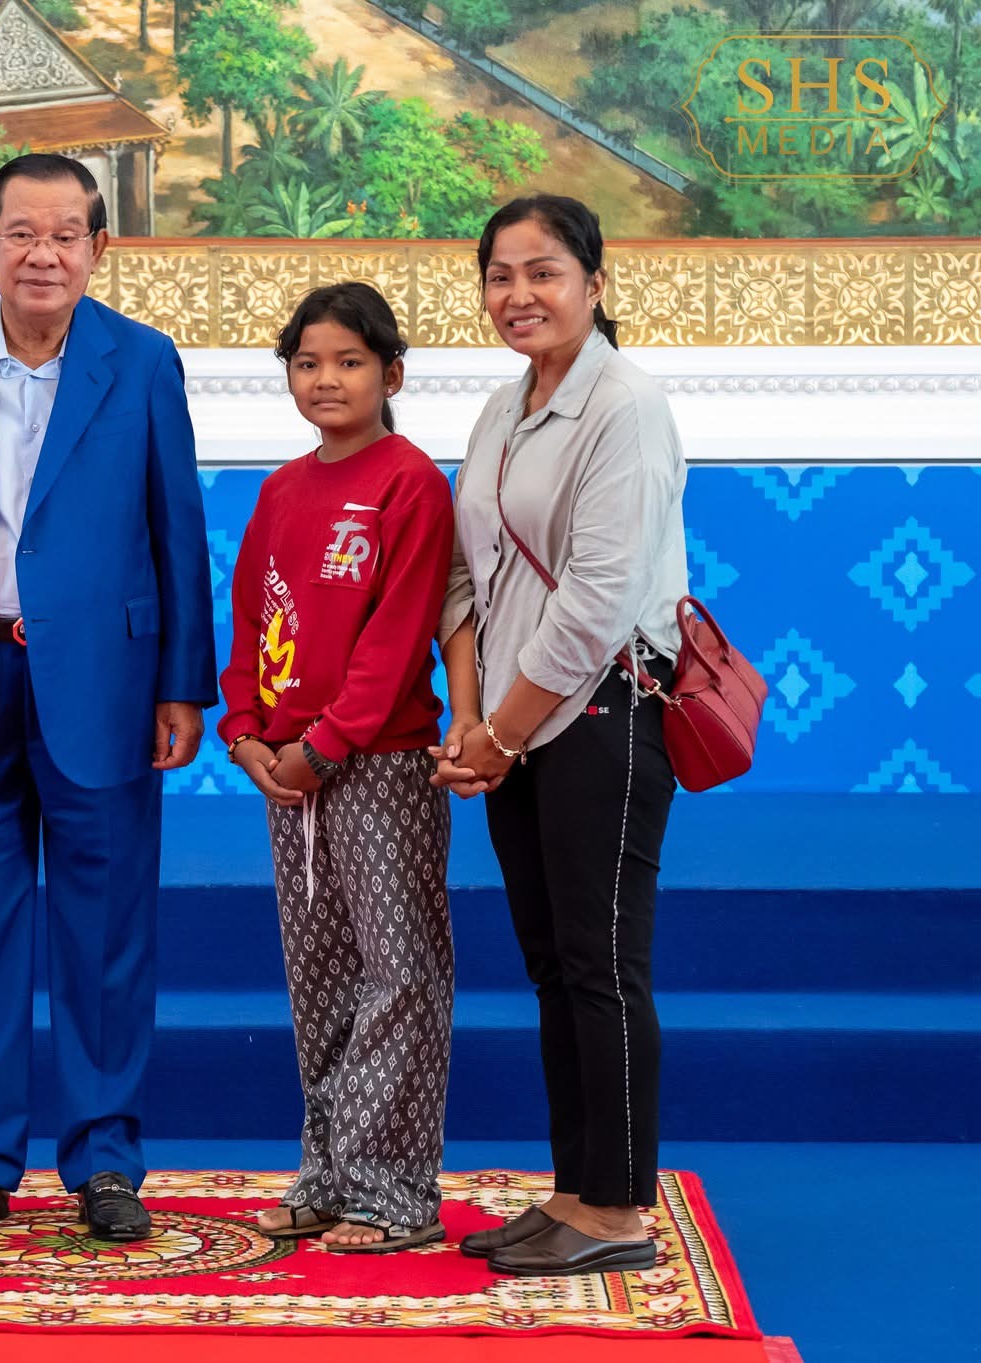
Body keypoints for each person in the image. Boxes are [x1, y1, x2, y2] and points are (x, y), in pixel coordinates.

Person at [0, 153, 217, 1243]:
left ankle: (105, 1160)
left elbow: (176, 528)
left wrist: (182, 684)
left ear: (98, 249)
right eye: (21, 232)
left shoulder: (140, 361)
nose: (42, 255)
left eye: (65, 235)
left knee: (104, 930)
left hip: (105, 681)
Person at [432, 195, 689, 1276]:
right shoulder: (503, 408)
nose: (519, 294)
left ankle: (619, 1213)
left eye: (543, 272)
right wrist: (469, 715)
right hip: (516, 725)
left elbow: (595, 601)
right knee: (551, 963)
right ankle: (575, 1191)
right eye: (500, 275)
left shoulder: (625, 406)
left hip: (602, 716)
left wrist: (499, 730)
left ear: (594, 282)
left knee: (602, 962)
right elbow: (464, 574)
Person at [217, 283, 456, 1253]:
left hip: (376, 765)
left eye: (349, 362)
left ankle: (393, 1192)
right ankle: (326, 1176)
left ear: (390, 374)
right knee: (318, 974)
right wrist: (244, 731)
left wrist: (325, 745)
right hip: (287, 771)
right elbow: (251, 617)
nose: (326, 379)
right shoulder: (280, 490)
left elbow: (396, 638)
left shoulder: (409, 483)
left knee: (399, 973)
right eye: (307, 362)